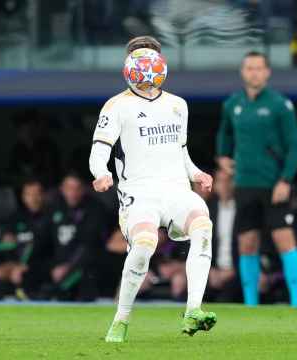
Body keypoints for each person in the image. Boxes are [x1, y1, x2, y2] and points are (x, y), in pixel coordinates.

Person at [90, 36, 216, 342]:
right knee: (145, 244)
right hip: (139, 194)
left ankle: (193, 310)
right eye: (139, 56)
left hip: (175, 189)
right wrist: (101, 173)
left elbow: (180, 151)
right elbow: (99, 150)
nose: (146, 62)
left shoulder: (177, 105)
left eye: (151, 56)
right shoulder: (116, 106)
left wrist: (197, 173)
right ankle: (120, 321)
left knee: (202, 224)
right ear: (129, 64)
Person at [216, 51, 297, 307]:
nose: (254, 73)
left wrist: (285, 180)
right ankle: (251, 304)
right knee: (247, 243)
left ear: (267, 72)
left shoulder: (280, 105)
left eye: (259, 68)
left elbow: (294, 146)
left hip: (273, 184)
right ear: (243, 72)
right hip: (244, 184)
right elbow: (224, 134)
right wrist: (222, 157)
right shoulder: (232, 104)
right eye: (249, 68)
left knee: (284, 241)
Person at [37, 173, 105, 301]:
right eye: (69, 188)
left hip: (82, 268)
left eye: (77, 188)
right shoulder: (54, 209)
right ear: (62, 189)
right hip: (57, 268)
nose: (73, 193)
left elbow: (89, 246)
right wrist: (52, 267)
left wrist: (68, 267)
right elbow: (43, 243)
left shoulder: (94, 210)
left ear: (83, 189)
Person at [0, 178, 52, 300]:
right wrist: (7, 240)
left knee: (24, 276)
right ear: (23, 197)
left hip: (41, 266)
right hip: (17, 265)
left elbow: (51, 250)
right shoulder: (17, 217)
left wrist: (28, 266)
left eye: (36, 194)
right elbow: (3, 244)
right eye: (29, 194)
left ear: (43, 195)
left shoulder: (51, 217)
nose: (33, 198)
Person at [206, 169, 238, 302]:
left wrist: (233, 271)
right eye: (220, 181)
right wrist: (211, 270)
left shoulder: (242, 210)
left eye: (228, 181)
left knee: (225, 300)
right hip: (213, 271)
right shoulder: (208, 210)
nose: (224, 185)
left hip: (236, 272)